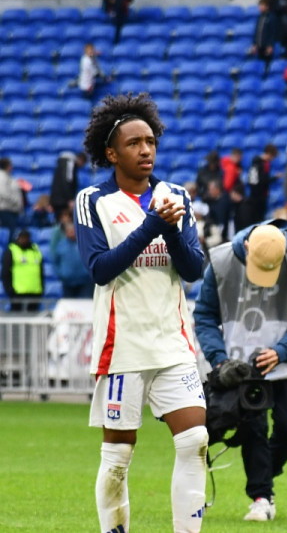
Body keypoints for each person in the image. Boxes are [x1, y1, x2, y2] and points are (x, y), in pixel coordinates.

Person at [75, 92, 207, 533]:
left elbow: (193, 269)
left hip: (173, 343)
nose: (146, 149)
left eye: (150, 141)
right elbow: (100, 269)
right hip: (123, 347)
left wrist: (169, 231)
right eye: (134, 143)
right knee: (117, 457)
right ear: (112, 153)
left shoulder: (175, 195)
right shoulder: (93, 200)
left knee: (196, 440)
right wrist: (152, 226)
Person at [193, 220, 287, 522]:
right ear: (247, 246)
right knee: (253, 432)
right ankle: (262, 497)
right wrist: (220, 360)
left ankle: (263, 476)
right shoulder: (222, 260)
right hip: (239, 367)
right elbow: (205, 315)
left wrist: (282, 350)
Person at [1, 229, 44, 311]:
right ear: (17, 238)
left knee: (34, 317)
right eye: (22, 237)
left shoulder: (36, 250)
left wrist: (42, 288)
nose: (24, 240)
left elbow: (41, 271)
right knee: (17, 316)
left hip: (35, 292)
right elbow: (5, 272)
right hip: (17, 293)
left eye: (26, 237)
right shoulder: (12, 250)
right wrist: (9, 290)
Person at [50, 220, 94, 298]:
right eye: (69, 231)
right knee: (68, 304)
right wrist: (61, 274)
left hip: (85, 282)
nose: (71, 233)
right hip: (67, 283)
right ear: (65, 232)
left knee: (85, 304)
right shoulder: (61, 245)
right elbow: (55, 261)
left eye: (73, 230)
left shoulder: (85, 244)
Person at [0, 157, 24, 235]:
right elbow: (3, 192)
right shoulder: (2, 177)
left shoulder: (8, 176)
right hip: (6, 209)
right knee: (8, 234)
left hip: (11, 209)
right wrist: (15, 201)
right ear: (8, 166)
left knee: (11, 233)